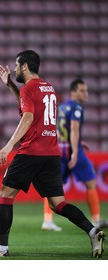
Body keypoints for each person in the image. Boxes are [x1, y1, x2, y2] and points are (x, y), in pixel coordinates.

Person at [0, 50, 105, 258]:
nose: (14, 69)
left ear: (25, 66)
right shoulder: (48, 88)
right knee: (58, 203)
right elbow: (28, 107)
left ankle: (1, 249)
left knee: (5, 194)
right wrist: (11, 85)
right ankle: (92, 231)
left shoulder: (29, 88)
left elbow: (28, 117)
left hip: (31, 151)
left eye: (16, 65)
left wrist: (9, 145)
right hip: (50, 153)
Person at [41, 78, 108, 231]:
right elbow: (74, 128)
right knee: (90, 183)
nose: (86, 94)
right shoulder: (77, 108)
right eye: (82, 91)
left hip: (59, 149)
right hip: (71, 150)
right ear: (73, 92)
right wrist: (76, 152)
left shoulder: (63, 107)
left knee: (53, 187)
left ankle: (47, 220)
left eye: (86, 91)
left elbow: (59, 129)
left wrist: (77, 142)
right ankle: (96, 220)